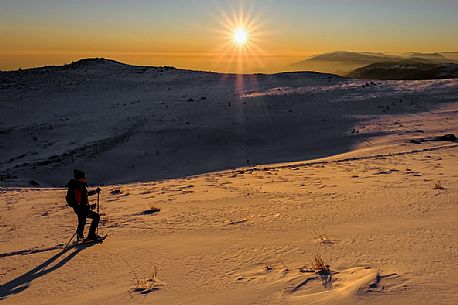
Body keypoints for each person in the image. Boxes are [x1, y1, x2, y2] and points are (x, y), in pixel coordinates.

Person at [66, 169, 101, 241]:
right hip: (82, 209)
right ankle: (91, 235)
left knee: (82, 221)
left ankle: (80, 236)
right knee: (96, 217)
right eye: (83, 177)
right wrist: (79, 208)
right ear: (79, 178)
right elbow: (77, 199)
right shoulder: (77, 187)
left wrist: (95, 191)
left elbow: (85, 195)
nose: (85, 179)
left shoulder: (79, 185)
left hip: (81, 208)